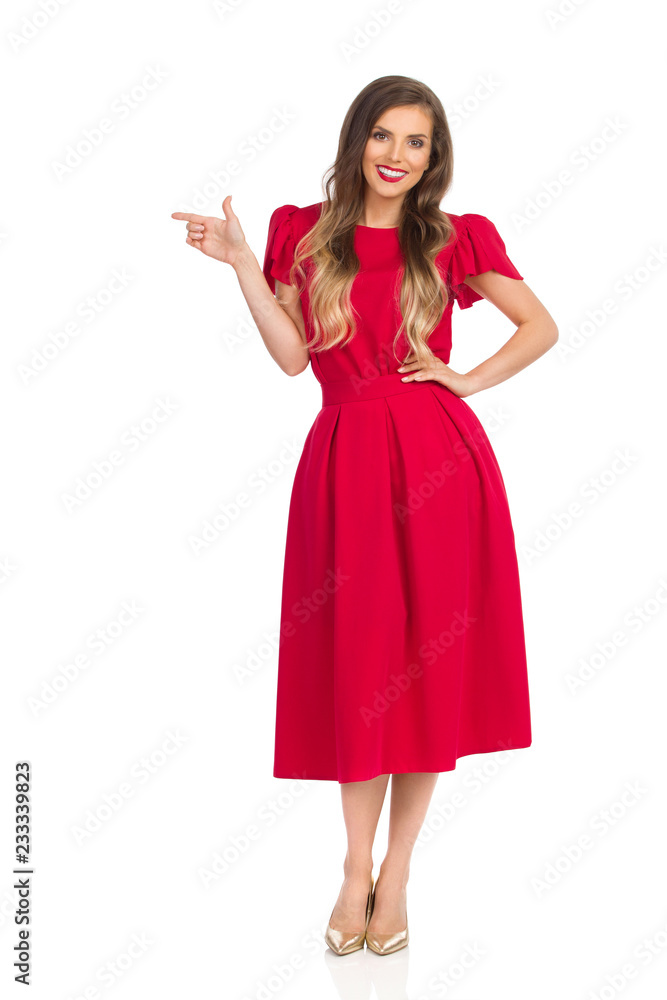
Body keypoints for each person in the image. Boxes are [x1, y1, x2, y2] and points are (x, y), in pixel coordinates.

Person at [172, 75, 558, 957]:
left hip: (440, 464)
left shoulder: (455, 239)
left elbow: (538, 326)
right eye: (382, 135)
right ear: (357, 140)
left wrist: (463, 380)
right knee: (362, 665)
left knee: (429, 672)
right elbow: (290, 360)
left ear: (433, 157)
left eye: (415, 142)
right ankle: (355, 871)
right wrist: (239, 266)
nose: (395, 156)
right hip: (343, 462)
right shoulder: (299, 232)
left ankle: (401, 872)